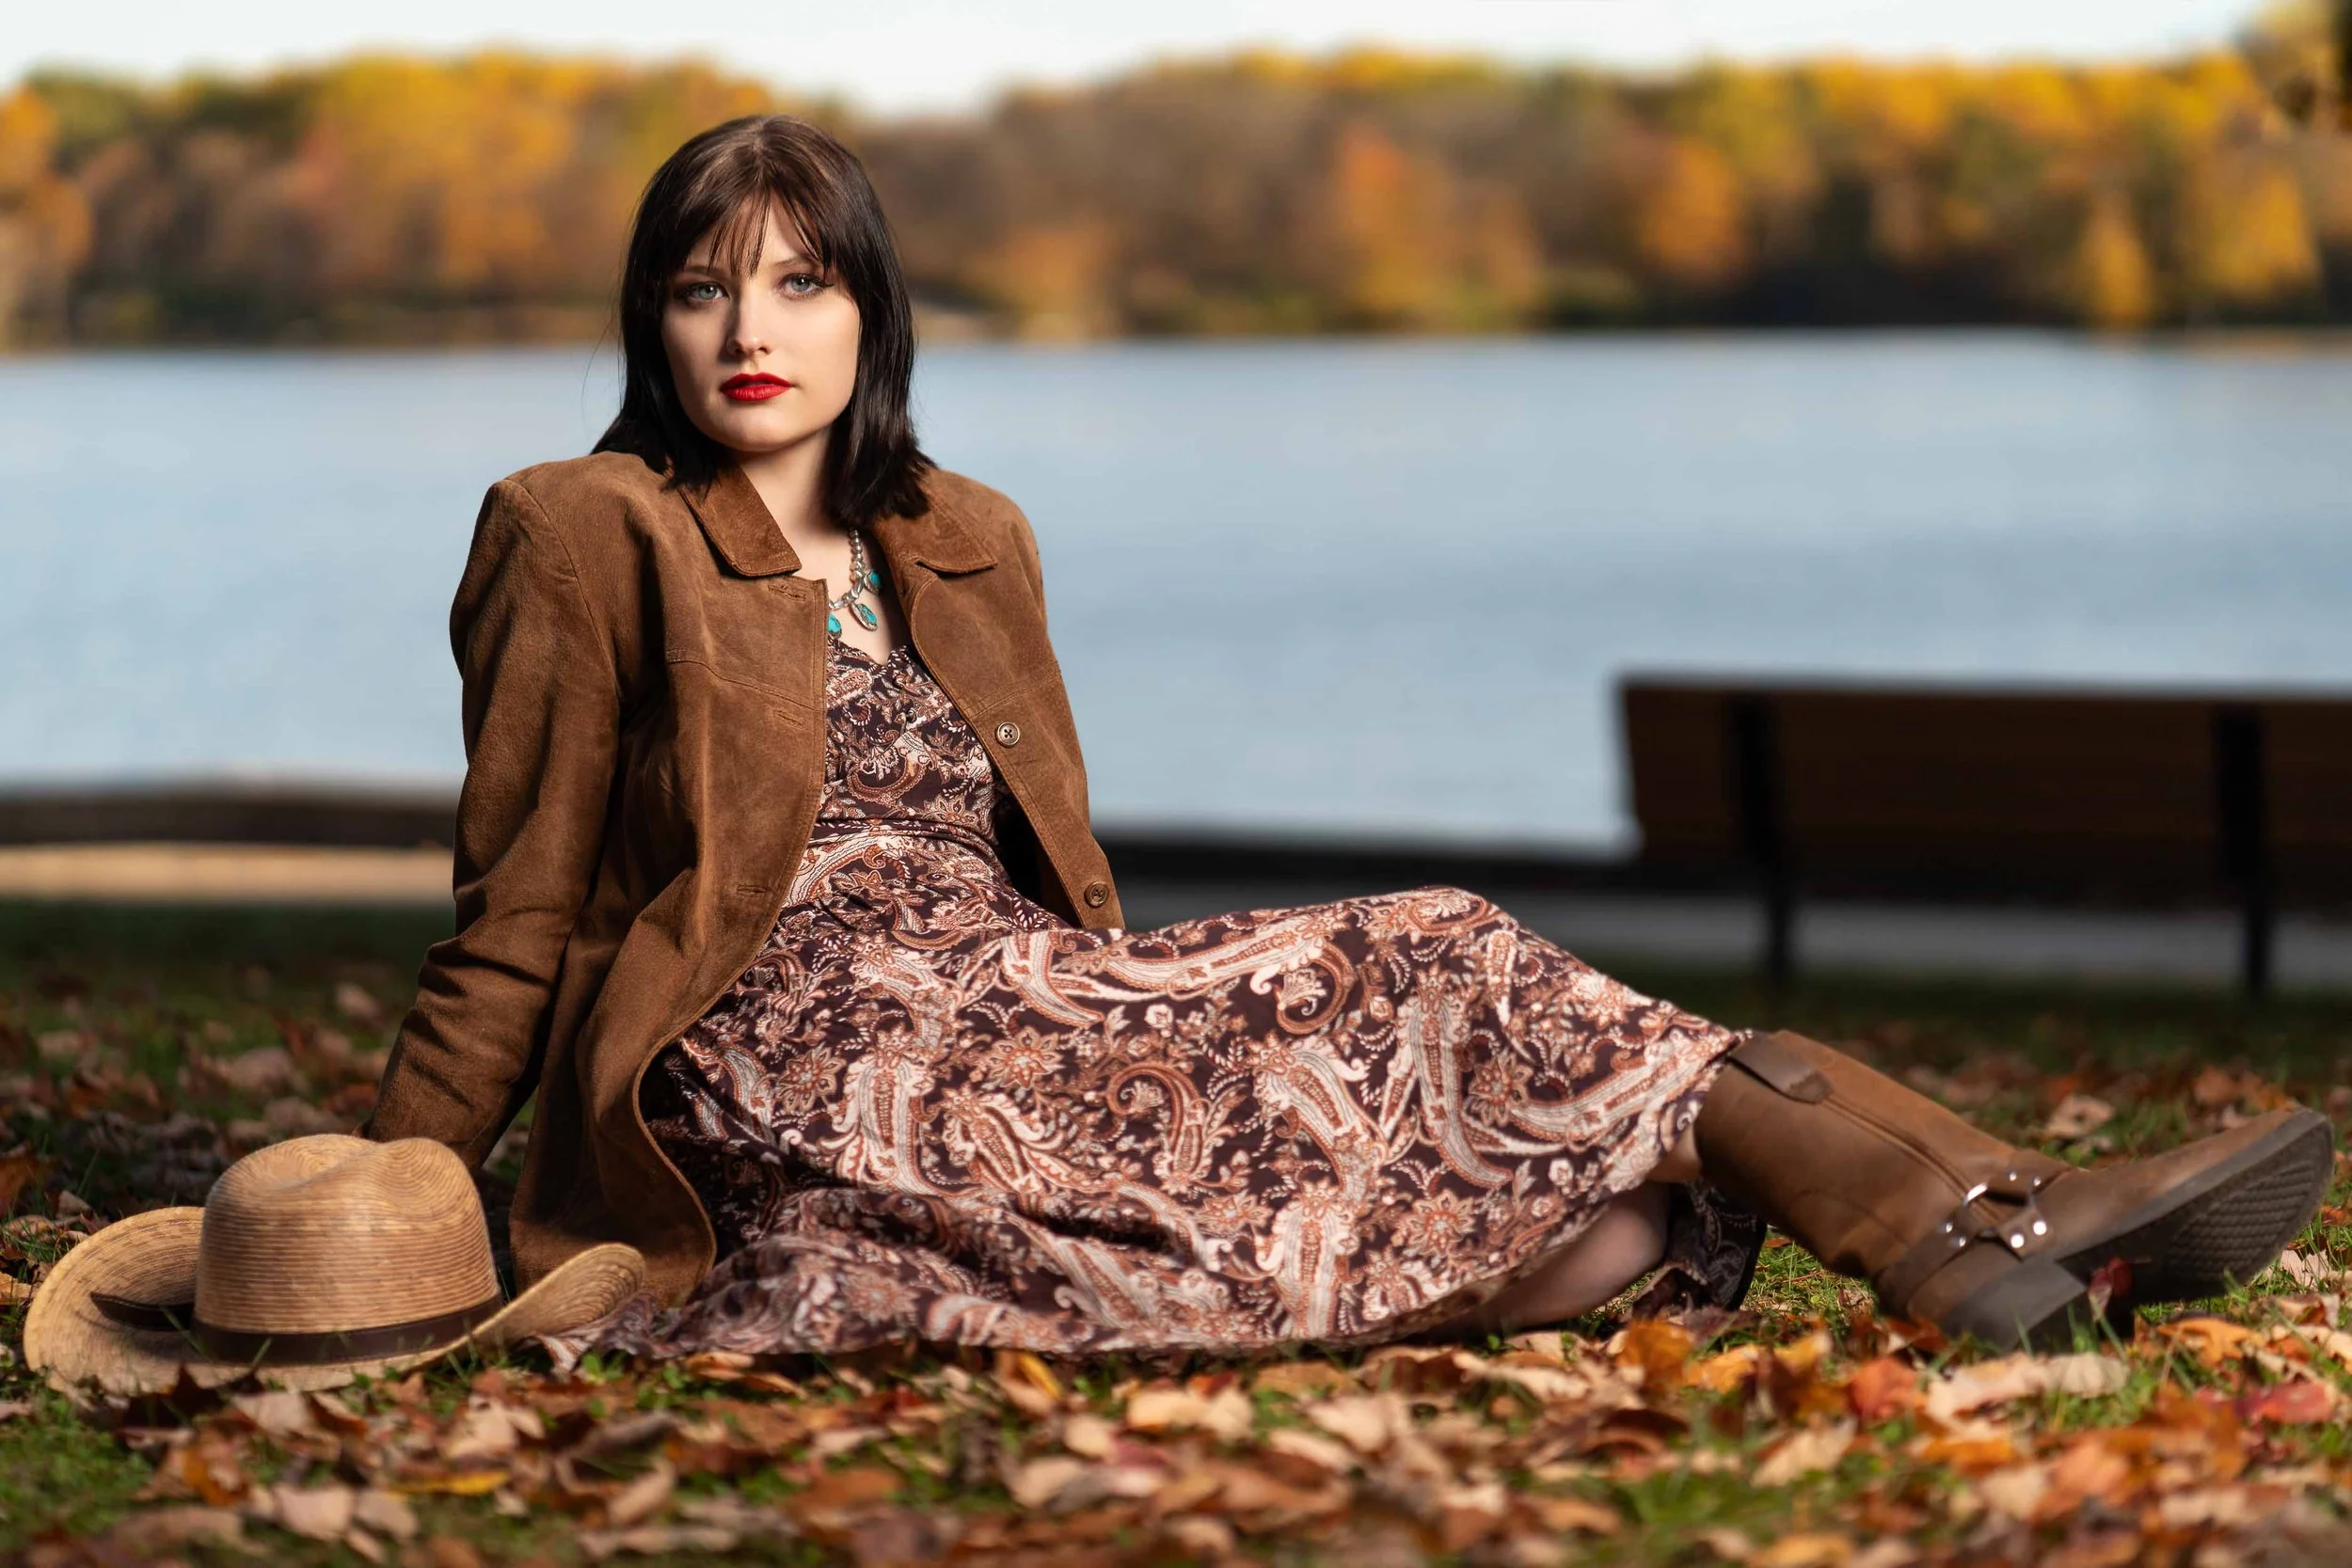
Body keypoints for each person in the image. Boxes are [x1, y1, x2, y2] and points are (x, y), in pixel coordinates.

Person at [365, 114, 2331, 1361]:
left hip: (1022, 996)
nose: (747, 326)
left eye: (798, 277)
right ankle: (1979, 1212)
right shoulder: (580, 524)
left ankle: (1969, 1220)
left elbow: (1054, 870)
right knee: (1443, 949)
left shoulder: (964, 535)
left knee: (1588, 1191)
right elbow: (521, 906)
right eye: (699, 285)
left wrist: (1151, 1006)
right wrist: (391, 1191)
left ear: (872, 309)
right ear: (652, 318)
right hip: (792, 1044)